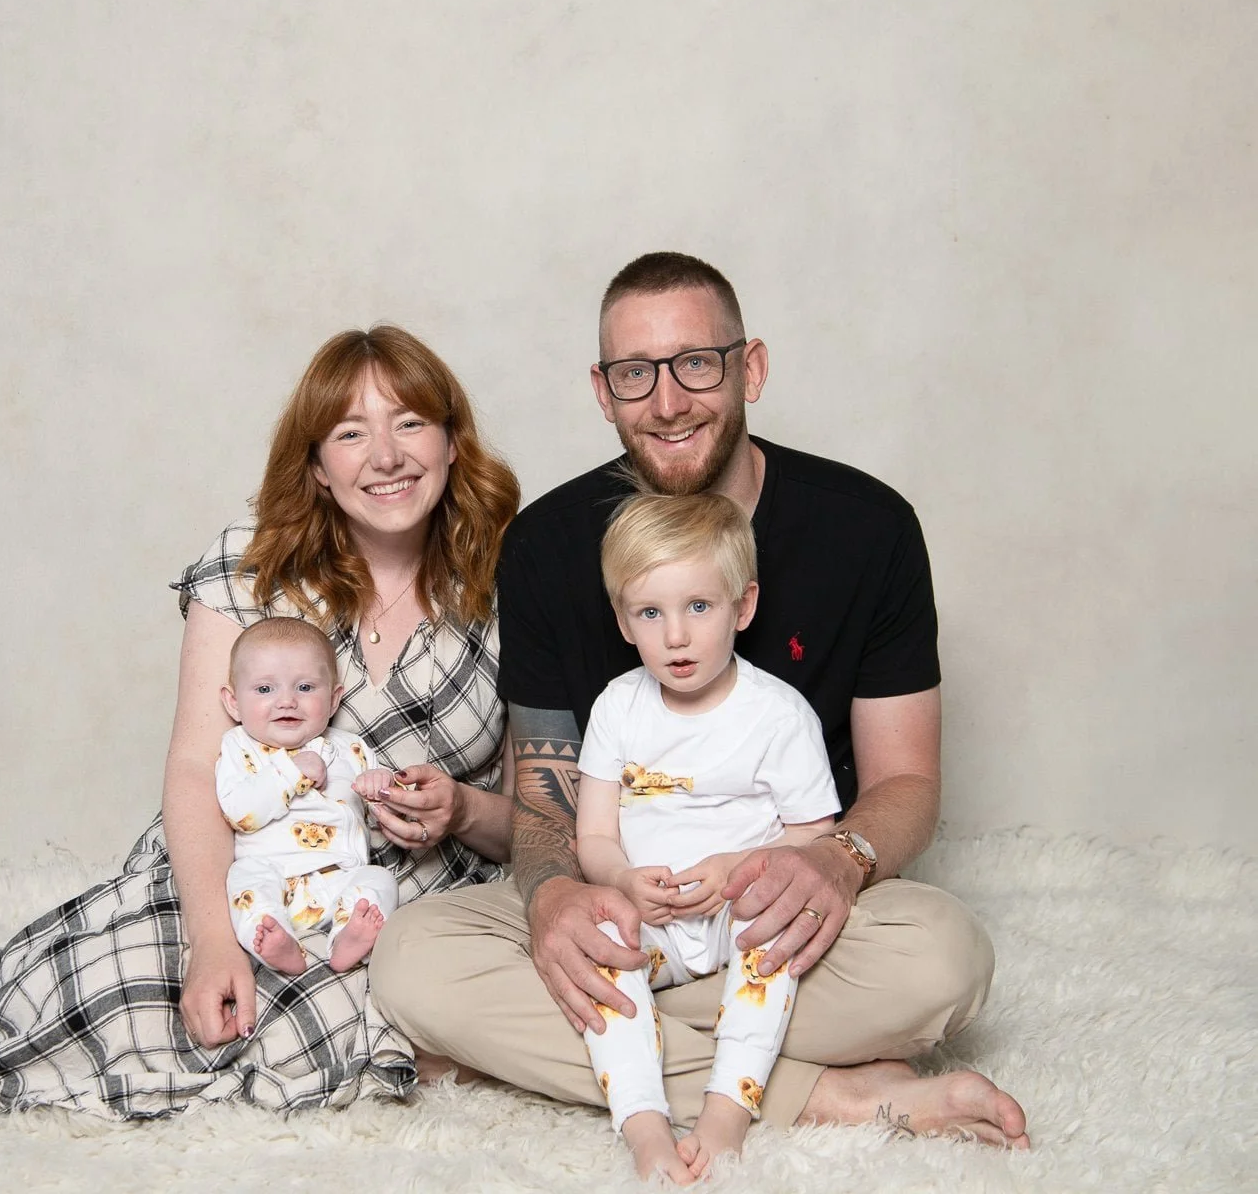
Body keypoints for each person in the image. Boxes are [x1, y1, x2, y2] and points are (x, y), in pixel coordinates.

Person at [371, 252, 1030, 1150]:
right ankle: (820, 1093)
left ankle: (571, 1052)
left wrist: (836, 860)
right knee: (413, 963)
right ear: (603, 392)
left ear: (749, 368)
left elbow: (906, 782)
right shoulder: (546, 546)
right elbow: (546, 800)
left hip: (776, 911)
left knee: (944, 958)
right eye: (635, 374)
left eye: (696, 364)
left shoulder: (867, 528)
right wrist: (556, 896)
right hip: (623, 908)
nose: (668, 401)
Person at [0, 324, 520, 1119]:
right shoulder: (249, 569)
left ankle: (37, 981)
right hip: (241, 864)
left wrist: (463, 809)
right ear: (318, 466)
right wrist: (213, 940)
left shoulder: (515, 584)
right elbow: (193, 768)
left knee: (297, 1038)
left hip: (399, 897)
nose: (385, 456)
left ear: (452, 441)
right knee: (128, 1002)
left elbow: (538, 821)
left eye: (410, 422)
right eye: (351, 433)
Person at [576, 491, 840, 1183]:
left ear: (742, 606)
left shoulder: (778, 714)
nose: (676, 636)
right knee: (600, 949)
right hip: (655, 924)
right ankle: (643, 1123)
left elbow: (815, 836)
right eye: (650, 613)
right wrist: (623, 880)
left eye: (699, 606)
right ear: (623, 621)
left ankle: (727, 1112)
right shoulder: (617, 707)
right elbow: (595, 836)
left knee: (773, 929)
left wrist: (739, 868)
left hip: (735, 915)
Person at [216, 617, 400, 976]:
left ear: (333, 700)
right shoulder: (239, 746)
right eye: (265, 689)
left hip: (339, 876)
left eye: (304, 687)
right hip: (272, 875)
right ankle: (272, 935)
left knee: (380, 880)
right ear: (234, 702)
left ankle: (348, 937)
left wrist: (382, 785)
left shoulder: (350, 748)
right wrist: (291, 771)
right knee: (243, 878)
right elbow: (238, 812)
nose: (287, 701)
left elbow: (380, 816)